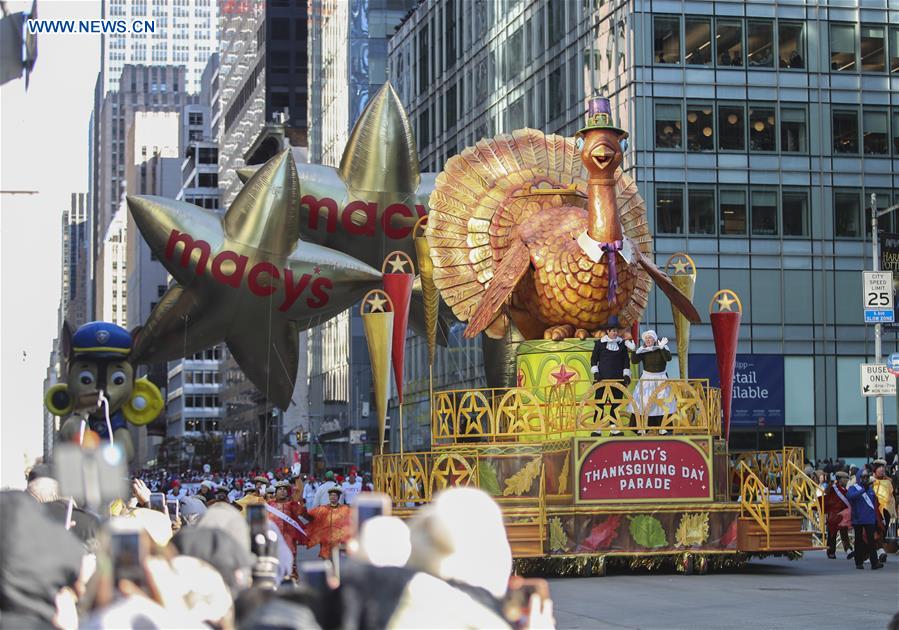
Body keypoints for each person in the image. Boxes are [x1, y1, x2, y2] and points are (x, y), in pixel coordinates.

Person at [628, 330, 675, 434]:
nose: (648, 340)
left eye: (650, 338)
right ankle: (642, 427)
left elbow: (668, 358)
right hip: (647, 379)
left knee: (662, 403)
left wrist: (662, 348)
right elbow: (635, 361)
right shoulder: (643, 349)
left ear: (654, 339)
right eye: (646, 338)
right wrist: (633, 350)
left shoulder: (661, 348)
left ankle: (663, 427)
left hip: (661, 378)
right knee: (643, 402)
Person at [590, 326, 631, 435]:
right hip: (602, 379)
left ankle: (614, 428)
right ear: (607, 331)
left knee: (616, 404)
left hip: (618, 379)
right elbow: (594, 359)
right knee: (599, 403)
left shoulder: (621, 344)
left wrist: (626, 374)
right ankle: (597, 428)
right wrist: (596, 373)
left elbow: (626, 360)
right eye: (613, 331)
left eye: (617, 331)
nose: (615, 333)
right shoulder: (599, 343)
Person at [847, 469, 884, 570]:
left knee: (872, 541)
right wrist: (863, 490)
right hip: (858, 519)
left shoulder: (870, 489)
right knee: (858, 541)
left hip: (869, 519)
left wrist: (876, 519)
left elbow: (873, 505)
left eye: (866, 477)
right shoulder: (853, 488)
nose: (865, 479)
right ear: (859, 477)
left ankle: (874, 563)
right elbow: (850, 496)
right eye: (863, 477)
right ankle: (859, 562)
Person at [267, 479, 309, 562]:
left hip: (289, 538)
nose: (282, 491)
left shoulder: (291, 504)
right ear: (275, 492)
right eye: (280, 489)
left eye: (284, 489)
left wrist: (297, 478)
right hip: (273, 538)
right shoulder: (269, 504)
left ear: (287, 492)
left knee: (291, 563)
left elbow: (299, 510)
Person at [305, 487, 352, 560]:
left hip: (339, 542)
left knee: (339, 564)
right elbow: (309, 516)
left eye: (335, 495)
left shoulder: (345, 509)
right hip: (326, 542)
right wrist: (302, 511)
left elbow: (352, 520)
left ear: (338, 497)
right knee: (327, 564)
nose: (332, 497)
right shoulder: (322, 509)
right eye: (331, 495)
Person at [824, 471, 854, 559]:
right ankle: (831, 551)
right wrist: (831, 482)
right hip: (833, 514)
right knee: (832, 534)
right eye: (845, 479)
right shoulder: (833, 488)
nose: (846, 480)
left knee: (844, 532)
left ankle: (848, 550)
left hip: (842, 515)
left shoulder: (846, 490)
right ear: (840, 479)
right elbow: (826, 492)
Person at [872, 459, 895, 562]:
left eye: (883, 468)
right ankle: (879, 551)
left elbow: (892, 495)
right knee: (875, 531)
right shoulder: (870, 480)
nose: (882, 470)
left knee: (882, 530)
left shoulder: (888, 481)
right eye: (879, 468)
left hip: (885, 510)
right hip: (873, 510)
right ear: (875, 470)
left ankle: (879, 551)